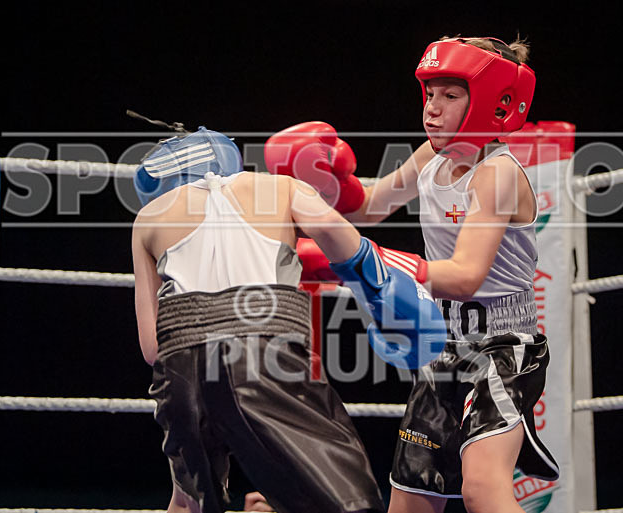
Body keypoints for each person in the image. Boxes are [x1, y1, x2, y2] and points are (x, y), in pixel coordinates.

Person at [264, 36, 559, 513]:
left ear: (491, 101)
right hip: (442, 345)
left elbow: (465, 275)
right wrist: (323, 182)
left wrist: (361, 262)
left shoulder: (496, 173)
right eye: (429, 94)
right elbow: (370, 207)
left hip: (503, 348)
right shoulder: (431, 155)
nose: (433, 108)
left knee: (483, 489)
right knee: (412, 497)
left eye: (450, 95)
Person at [132, 127, 444, 513]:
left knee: (189, 502)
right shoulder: (280, 187)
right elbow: (339, 235)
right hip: (263, 347)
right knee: (352, 502)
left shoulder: (148, 217)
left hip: (181, 365)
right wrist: (382, 288)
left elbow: (152, 347)